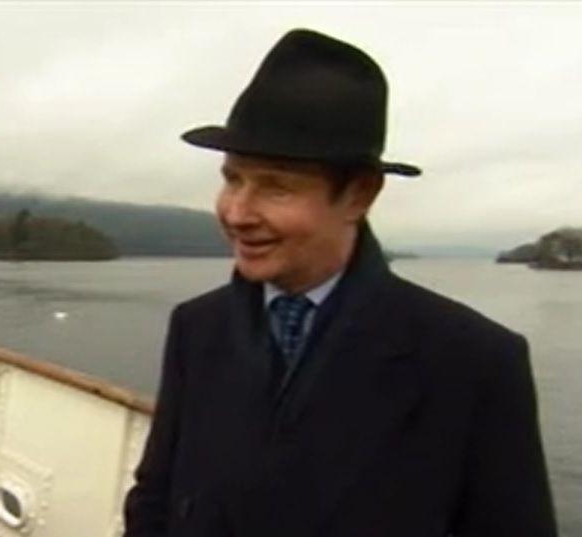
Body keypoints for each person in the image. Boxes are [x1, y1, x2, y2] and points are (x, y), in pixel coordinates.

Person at [123, 29, 557, 537]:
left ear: (359, 195)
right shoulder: (197, 327)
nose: (238, 212)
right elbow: (155, 498)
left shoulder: (473, 362)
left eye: (276, 187)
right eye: (233, 178)